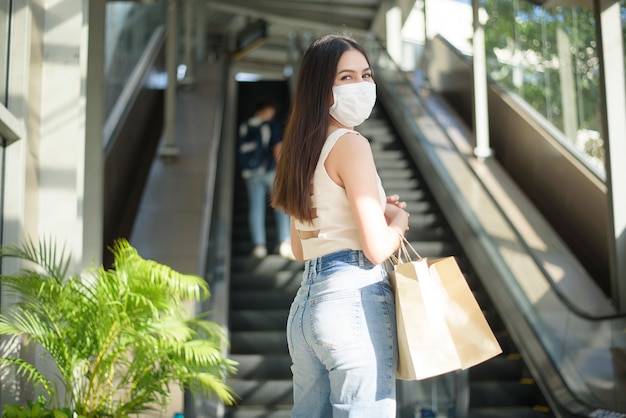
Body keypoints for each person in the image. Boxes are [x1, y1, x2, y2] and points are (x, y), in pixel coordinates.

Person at [271, 34, 410, 417]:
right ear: (322, 88)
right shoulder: (351, 144)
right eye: (347, 77)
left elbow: (301, 250)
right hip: (354, 297)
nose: (363, 85)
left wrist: (376, 215)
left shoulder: (296, 153)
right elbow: (377, 249)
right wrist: (398, 219)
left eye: (366, 75)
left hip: (305, 310)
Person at [237, 97, 293, 259]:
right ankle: (284, 242)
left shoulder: (246, 126)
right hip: (271, 171)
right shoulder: (270, 126)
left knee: (256, 207)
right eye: (270, 112)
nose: (271, 115)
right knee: (280, 205)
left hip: (251, 173)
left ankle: (259, 245)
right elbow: (277, 148)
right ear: (264, 110)